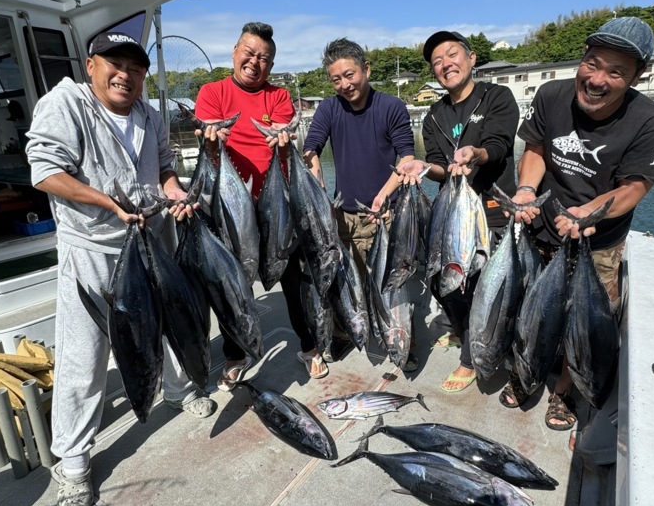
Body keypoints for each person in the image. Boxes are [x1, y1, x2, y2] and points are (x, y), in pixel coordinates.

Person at [25, 32, 216, 506]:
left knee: (168, 323)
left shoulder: (149, 115)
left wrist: (174, 193)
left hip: (150, 235)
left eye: (135, 68)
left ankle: (177, 390)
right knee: (85, 352)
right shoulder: (65, 105)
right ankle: (73, 461)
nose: (125, 75)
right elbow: (45, 172)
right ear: (91, 65)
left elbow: (166, 169)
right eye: (115, 64)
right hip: (93, 247)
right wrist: (106, 202)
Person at [504, 15, 654, 429]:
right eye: (592, 64)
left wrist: (588, 213)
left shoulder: (651, 123)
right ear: (582, 58)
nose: (597, 80)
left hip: (598, 241)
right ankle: (525, 373)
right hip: (541, 230)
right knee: (530, 311)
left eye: (615, 72)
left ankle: (563, 391)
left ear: (637, 76)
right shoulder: (551, 95)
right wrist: (525, 190)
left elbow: (633, 188)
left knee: (581, 324)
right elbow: (535, 150)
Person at [193, 21, 328, 381]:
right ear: (234, 52)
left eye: (264, 58)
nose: (255, 62)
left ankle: (309, 346)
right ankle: (235, 354)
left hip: (275, 205)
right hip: (229, 207)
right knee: (230, 282)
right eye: (249, 53)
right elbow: (208, 147)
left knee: (293, 278)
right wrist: (211, 142)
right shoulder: (212, 92)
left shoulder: (278, 97)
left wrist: (283, 144)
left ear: (271, 65)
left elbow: (285, 150)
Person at [399, 31, 519, 392]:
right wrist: (424, 167)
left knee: (482, 289)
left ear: (471, 57)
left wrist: (475, 154)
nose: (445, 64)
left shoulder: (496, 96)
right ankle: (461, 330)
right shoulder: (434, 115)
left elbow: (499, 145)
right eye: (437, 61)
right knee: (445, 281)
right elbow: (439, 166)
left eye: (452, 55)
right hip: (452, 213)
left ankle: (471, 358)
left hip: (491, 208)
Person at [301, 37, 417, 365]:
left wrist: (383, 194)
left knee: (391, 283)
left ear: (366, 69)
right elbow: (311, 148)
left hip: (385, 213)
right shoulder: (329, 108)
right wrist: (318, 186)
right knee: (342, 283)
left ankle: (402, 339)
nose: (344, 84)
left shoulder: (390, 106)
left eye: (349, 75)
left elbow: (407, 155)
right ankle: (343, 334)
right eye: (336, 79)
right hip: (343, 216)